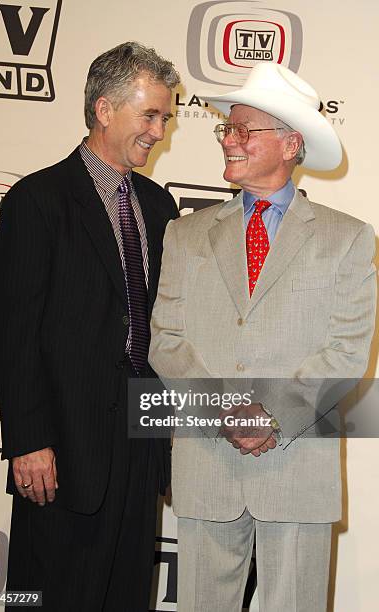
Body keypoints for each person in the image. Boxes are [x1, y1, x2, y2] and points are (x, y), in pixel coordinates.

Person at [149, 62, 376, 611]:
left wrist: (269, 414)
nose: (230, 139)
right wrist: (226, 410)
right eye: (228, 128)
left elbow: (346, 351)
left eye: (245, 129)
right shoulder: (185, 233)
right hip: (208, 465)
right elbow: (166, 340)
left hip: (297, 465)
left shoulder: (348, 239)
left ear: (291, 144)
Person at [0, 41, 180, 611]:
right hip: (61, 448)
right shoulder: (38, 199)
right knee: (46, 597)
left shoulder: (158, 206)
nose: (160, 131)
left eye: (166, 117)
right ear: (104, 109)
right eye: (149, 114)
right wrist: (28, 441)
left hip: (138, 445)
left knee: (125, 596)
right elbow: (16, 333)